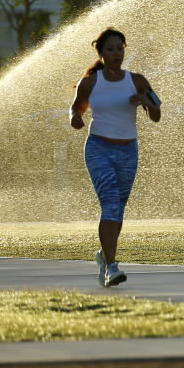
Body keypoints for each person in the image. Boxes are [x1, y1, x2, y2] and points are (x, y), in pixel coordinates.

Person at [70, 28, 160, 287]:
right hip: (99, 148)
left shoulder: (138, 81)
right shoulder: (90, 82)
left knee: (118, 209)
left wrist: (146, 101)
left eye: (120, 48)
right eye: (110, 49)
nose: (116, 53)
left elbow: (156, 115)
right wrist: (75, 118)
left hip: (128, 151)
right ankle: (111, 267)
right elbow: (76, 109)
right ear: (101, 52)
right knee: (110, 204)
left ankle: (104, 255)